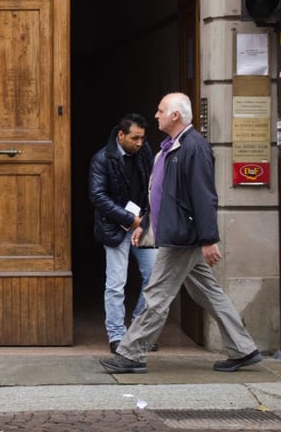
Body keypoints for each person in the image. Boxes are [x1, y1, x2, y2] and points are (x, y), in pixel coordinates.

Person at [99, 92, 262, 374]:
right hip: (179, 232)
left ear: (175, 115)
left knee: (155, 295)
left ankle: (131, 353)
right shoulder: (172, 147)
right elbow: (162, 194)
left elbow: (203, 196)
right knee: (210, 293)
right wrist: (147, 225)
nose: (156, 115)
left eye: (161, 110)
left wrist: (209, 238)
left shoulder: (193, 148)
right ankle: (243, 348)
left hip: (182, 237)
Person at [89, 113, 158, 354]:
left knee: (154, 276)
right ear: (121, 135)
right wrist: (130, 219)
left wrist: (144, 220)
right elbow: (98, 196)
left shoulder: (145, 151)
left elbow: (153, 184)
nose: (139, 143)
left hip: (143, 225)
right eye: (135, 138)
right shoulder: (102, 158)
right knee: (116, 284)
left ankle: (138, 329)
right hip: (116, 227)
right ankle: (117, 335)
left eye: (142, 138)